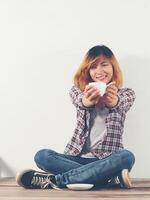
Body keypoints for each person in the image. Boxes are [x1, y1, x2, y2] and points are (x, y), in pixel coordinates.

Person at [16, 45, 136, 190]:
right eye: (93, 67)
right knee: (42, 156)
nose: (99, 71)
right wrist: (87, 101)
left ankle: (56, 180)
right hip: (77, 158)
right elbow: (80, 101)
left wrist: (113, 101)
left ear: (113, 68)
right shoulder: (77, 91)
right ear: (87, 71)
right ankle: (106, 180)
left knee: (126, 157)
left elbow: (121, 102)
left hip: (106, 159)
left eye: (104, 65)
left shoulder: (126, 93)